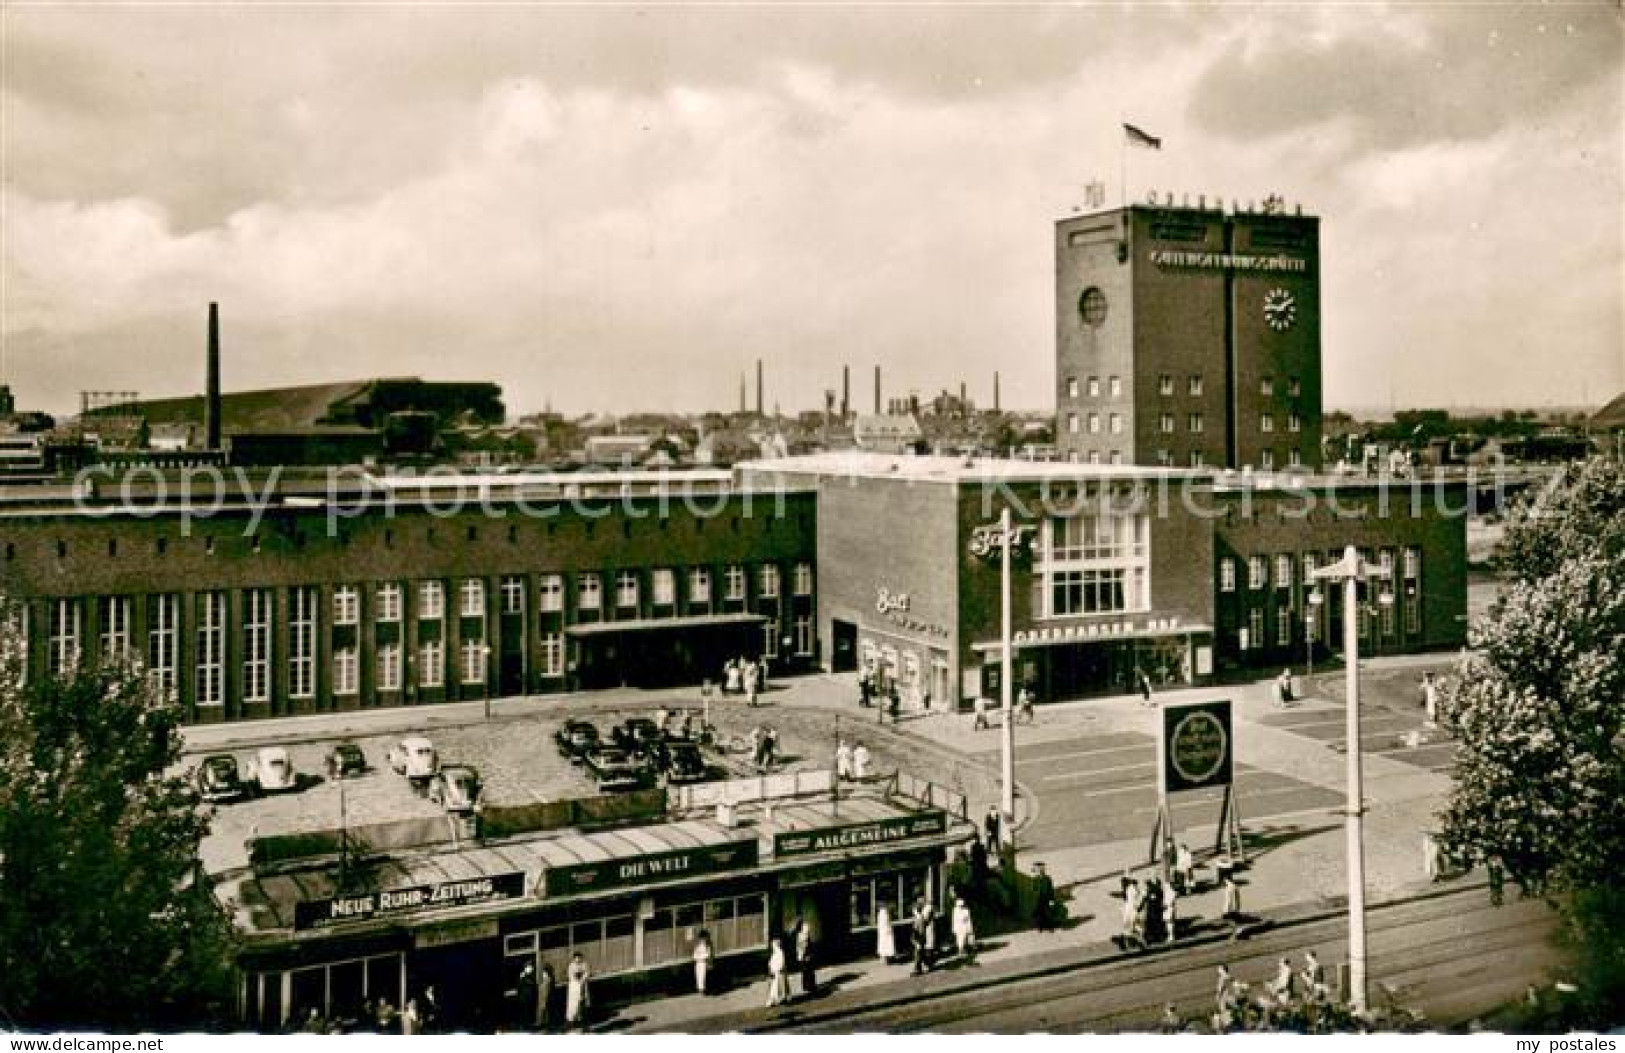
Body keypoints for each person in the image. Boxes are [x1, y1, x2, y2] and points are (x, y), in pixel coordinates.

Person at [565, 952, 591, 1030]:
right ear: (574, 958)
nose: (578, 959)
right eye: (576, 958)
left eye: (579, 958)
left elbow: (587, 973)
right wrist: (575, 978)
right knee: (573, 1007)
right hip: (574, 988)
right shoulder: (571, 966)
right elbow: (570, 975)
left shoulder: (584, 965)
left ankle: (584, 1025)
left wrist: (582, 978)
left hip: (582, 987)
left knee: (582, 1007)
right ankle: (570, 1024)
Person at [951, 895, 977, 963]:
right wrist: (954, 928)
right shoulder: (955, 910)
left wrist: (970, 928)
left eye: (962, 905)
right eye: (959, 905)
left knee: (965, 940)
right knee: (960, 940)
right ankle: (960, 951)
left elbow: (968, 920)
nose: (961, 906)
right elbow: (954, 920)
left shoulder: (966, 910)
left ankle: (965, 951)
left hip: (965, 927)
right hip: (959, 927)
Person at [1033, 861, 1056, 931]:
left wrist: (1052, 901)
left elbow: (1051, 890)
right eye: (1039, 870)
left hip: (1047, 898)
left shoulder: (1048, 879)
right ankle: (1040, 927)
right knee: (1039, 914)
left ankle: (1049, 927)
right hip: (1038, 899)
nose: (1040, 871)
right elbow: (1033, 890)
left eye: (1042, 869)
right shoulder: (1035, 880)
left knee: (1048, 913)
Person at [765, 937, 789, 1007]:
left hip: (778, 973)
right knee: (774, 987)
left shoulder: (780, 953)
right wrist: (770, 966)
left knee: (777, 987)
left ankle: (775, 1000)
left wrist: (777, 969)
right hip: (774, 973)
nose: (773, 947)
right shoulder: (775, 953)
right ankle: (774, 1000)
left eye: (774, 945)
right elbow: (771, 962)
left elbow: (781, 963)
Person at [910, 899, 931, 974]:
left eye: (914, 909)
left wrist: (916, 940)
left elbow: (919, 930)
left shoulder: (919, 918)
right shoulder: (919, 917)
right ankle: (926, 966)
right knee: (921, 953)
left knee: (918, 954)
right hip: (920, 938)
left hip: (919, 938)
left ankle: (918, 969)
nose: (913, 911)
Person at [796, 924, 817, 998]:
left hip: (804, 957)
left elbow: (802, 947)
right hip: (805, 957)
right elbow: (803, 947)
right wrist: (805, 956)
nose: (808, 931)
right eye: (807, 930)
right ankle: (809, 986)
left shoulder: (801, 936)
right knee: (808, 972)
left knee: (807, 972)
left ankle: (808, 986)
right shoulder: (803, 937)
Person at [693, 929, 715, 995]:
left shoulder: (708, 945)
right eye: (702, 939)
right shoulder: (698, 945)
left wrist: (704, 958)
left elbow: (709, 955)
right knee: (699, 976)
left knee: (704, 976)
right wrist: (700, 956)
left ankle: (705, 989)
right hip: (698, 962)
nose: (703, 940)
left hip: (704, 962)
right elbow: (694, 955)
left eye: (704, 939)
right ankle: (701, 989)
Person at [536, 962, 556, 1031]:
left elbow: (548, 991)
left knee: (546, 1012)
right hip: (544, 998)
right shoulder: (545, 980)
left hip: (547, 998)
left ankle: (546, 1026)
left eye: (544, 972)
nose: (543, 974)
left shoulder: (548, 980)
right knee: (544, 1012)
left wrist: (545, 999)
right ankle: (544, 1025)